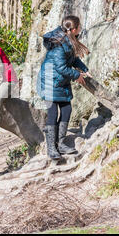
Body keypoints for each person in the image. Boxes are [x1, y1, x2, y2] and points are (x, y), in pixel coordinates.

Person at [37, 15, 91, 160]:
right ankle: (51, 148)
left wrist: (84, 69)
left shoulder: (69, 40)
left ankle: (60, 143)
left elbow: (73, 59)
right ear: (73, 29)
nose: (80, 29)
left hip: (60, 82)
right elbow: (61, 66)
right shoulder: (58, 44)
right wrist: (76, 75)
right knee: (53, 113)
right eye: (79, 26)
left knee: (67, 110)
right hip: (49, 82)